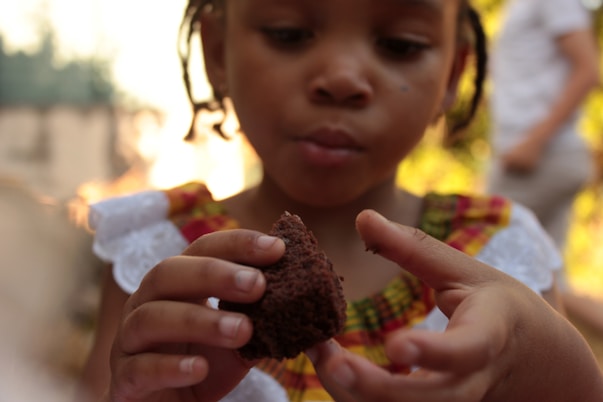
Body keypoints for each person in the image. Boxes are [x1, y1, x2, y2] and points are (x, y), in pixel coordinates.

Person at [76, 0, 603, 401]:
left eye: (400, 44)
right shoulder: (161, 261)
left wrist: (539, 354)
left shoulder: (500, 254)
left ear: (453, 75)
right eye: (289, 33)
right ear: (218, 52)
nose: (342, 79)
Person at [487, 0, 603, 332]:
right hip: (541, 157)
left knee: (474, 258)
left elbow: (588, 69)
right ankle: (567, 381)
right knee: (554, 285)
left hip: (539, 159)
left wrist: (534, 141)